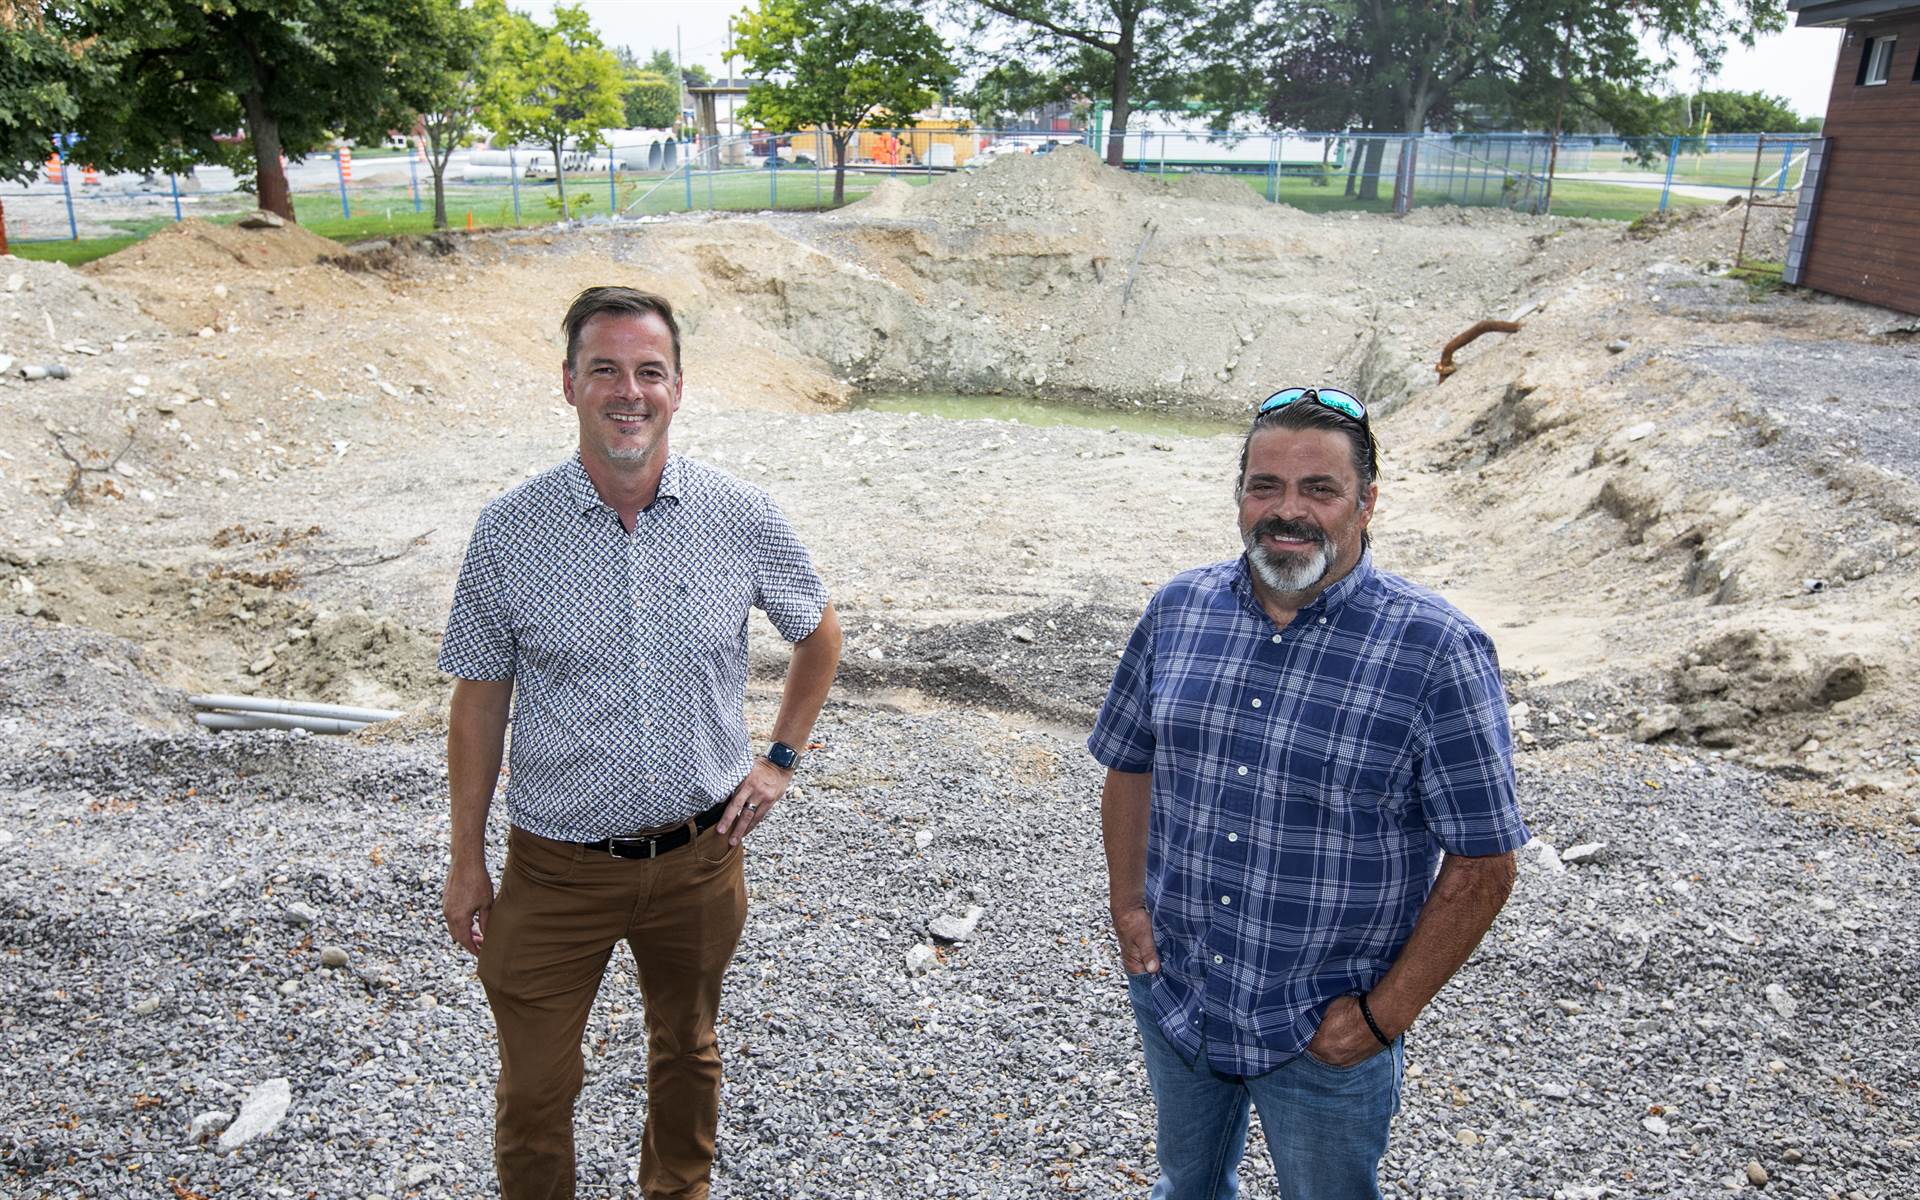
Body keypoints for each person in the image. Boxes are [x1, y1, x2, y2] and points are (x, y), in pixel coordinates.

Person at [438, 286, 843, 1200]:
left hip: (700, 860)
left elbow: (818, 634)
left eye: (649, 371)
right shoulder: (509, 531)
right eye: (606, 370)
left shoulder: (738, 514)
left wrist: (779, 761)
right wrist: (466, 859)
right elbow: (480, 699)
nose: (630, 392)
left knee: (688, 1052)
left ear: (678, 387)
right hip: (555, 872)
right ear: (569, 384)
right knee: (536, 1089)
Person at [1088, 386, 1529, 1200]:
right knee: (1186, 1186)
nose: (1287, 511)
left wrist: (1382, 1017)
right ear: (1240, 497)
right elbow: (1130, 761)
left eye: (1319, 489)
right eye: (1266, 486)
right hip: (1181, 994)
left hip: (1324, 1026)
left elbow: (1484, 862)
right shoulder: (1179, 610)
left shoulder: (1437, 651)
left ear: (1367, 503)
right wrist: (1129, 907)